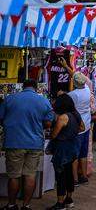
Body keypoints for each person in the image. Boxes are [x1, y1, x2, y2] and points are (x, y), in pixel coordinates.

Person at [0, 79, 54, 210]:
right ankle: (26, 205)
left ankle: (12, 204)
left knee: (14, 176)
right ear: (36, 88)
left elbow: (1, 118)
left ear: (23, 87)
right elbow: (48, 123)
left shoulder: (10, 99)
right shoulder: (44, 101)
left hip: (14, 142)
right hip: (35, 143)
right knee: (30, 174)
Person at [47, 94, 84, 210]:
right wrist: (71, 133)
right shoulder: (75, 114)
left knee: (60, 175)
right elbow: (82, 128)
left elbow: (54, 135)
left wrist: (53, 132)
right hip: (72, 147)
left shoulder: (63, 117)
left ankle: (60, 203)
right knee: (69, 175)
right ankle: (69, 199)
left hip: (62, 148)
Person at [68, 72, 91, 185]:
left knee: (74, 154)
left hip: (76, 126)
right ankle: (84, 176)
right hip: (86, 124)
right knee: (83, 153)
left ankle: (74, 178)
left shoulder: (73, 94)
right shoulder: (87, 90)